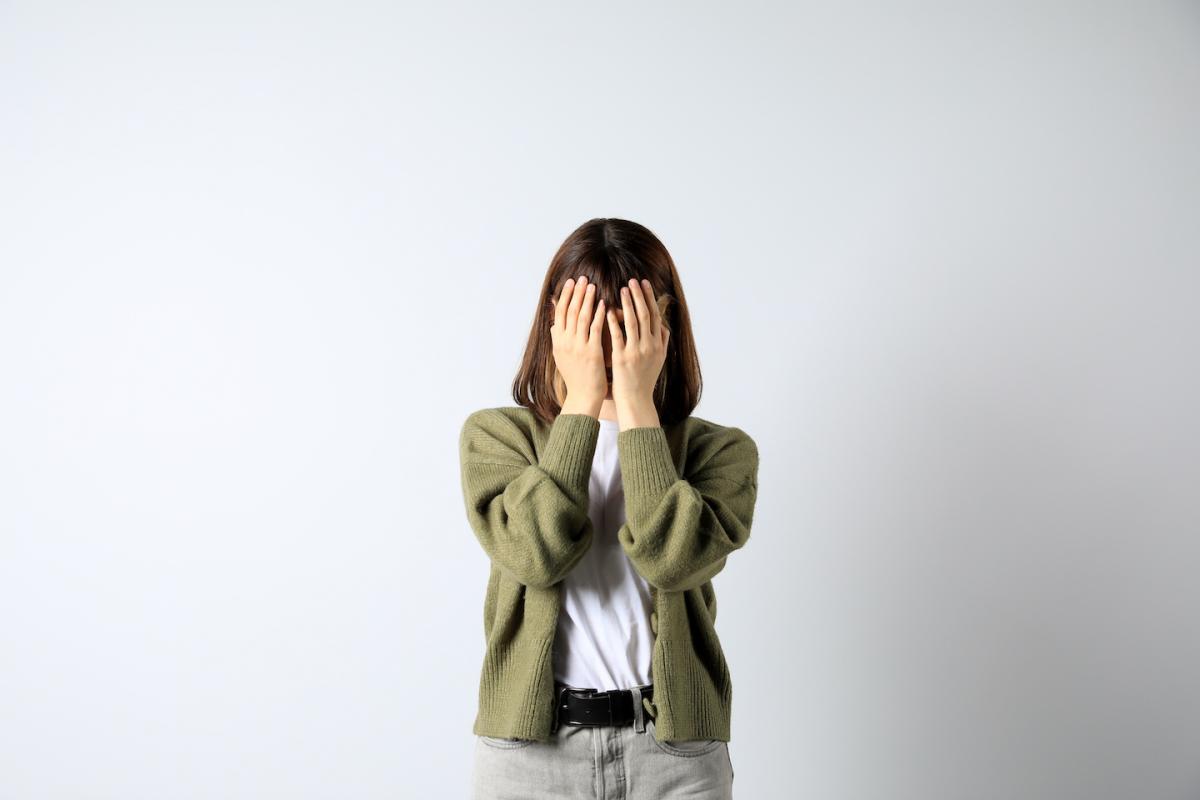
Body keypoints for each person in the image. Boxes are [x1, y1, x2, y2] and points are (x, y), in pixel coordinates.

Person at [459, 218, 760, 799]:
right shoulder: (496, 437)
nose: (609, 345)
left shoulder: (720, 451)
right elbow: (535, 554)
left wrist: (637, 406)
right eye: (589, 323)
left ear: (664, 327)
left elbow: (674, 561)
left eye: (629, 325)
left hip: (676, 757)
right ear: (556, 324)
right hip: (531, 756)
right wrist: (580, 403)